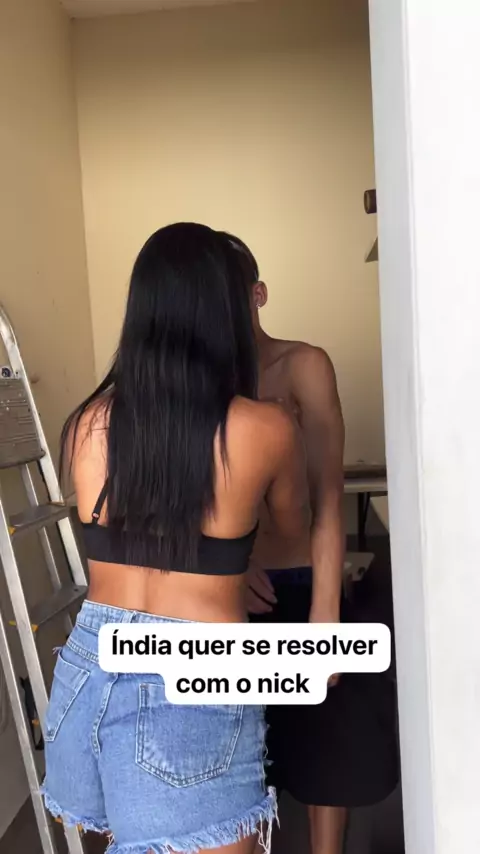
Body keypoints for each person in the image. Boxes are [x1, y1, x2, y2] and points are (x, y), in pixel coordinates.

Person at [41, 223, 311, 854]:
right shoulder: (265, 427)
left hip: (89, 668)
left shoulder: (85, 422)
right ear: (225, 311)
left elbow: (143, 539)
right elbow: (293, 531)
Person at [221, 234, 399, 854]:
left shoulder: (302, 365)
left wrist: (326, 618)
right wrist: (227, 568)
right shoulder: (202, 379)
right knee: (246, 751)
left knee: (329, 749)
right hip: (235, 594)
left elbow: (327, 495)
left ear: (258, 294)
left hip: (303, 581)